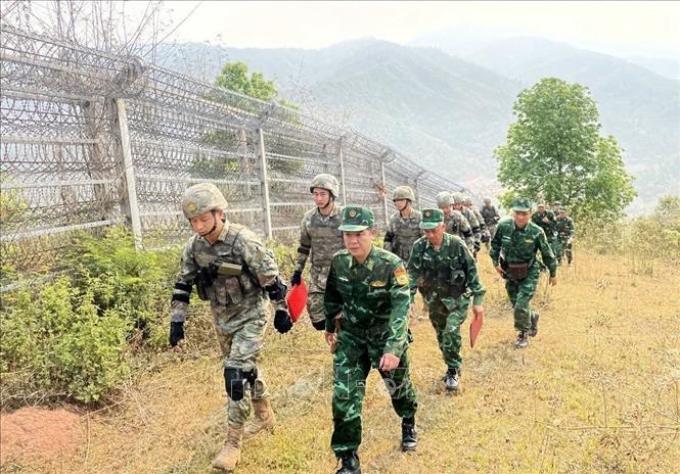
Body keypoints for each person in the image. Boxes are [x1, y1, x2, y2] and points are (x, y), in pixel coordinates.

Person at [169, 183, 293, 471]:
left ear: (219, 213)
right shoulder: (194, 248)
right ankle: (264, 415)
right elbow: (183, 285)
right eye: (193, 221)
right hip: (222, 321)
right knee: (246, 371)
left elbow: (271, 279)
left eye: (203, 219)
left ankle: (232, 443)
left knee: (235, 375)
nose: (198, 226)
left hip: (251, 316)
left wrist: (281, 311)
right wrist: (177, 324)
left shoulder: (243, 241)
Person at [324, 206, 418, 474]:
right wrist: (331, 326)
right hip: (351, 338)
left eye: (359, 234)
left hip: (384, 337)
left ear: (373, 233)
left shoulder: (391, 265)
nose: (352, 241)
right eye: (347, 235)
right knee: (344, 395)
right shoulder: (339, 261)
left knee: (398, 389)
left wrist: (394, 348)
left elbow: (401, 309)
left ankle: (408, 419)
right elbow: (332, 296)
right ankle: (348, 458)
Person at [407, 209, 485, 392]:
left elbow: (472, 271)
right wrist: (409, 297)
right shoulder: (419, 246)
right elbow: (412, 273)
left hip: (457, 298)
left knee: (450, 331)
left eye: (434, 230)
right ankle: (453, 364)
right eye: (426, 231)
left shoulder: (457, 244)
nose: (430, 235)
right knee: (442, 336)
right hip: (434, 299)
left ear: (443, 227)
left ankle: (452, 370)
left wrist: (478, 300)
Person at [490, 197, 557, 349]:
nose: (520, 217)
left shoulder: (536, 231)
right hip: (510, 271)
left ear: (530, 214)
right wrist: (495, 263)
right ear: (513, 213)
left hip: (530, 271)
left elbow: (547, 253)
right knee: (516, 305)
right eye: (517, 213)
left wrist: (553, 273)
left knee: (521, 304)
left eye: (524, 214)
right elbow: (494, 244)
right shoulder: (503, 226)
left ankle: (522, 334)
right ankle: (532, 316)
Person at [291, 174, 345, 331]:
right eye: (315, 194)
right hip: (318, 275)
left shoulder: (343, 217)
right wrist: (297, 271)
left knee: (346, 315)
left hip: (342, 273)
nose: (319, 198)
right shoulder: (308, 218)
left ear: (332, 195)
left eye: (322, 194)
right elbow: (304, 246)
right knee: (317, 319)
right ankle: (335, 331)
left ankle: (343, 340)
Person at [384, 185, 422, 264]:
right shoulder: (393, 219)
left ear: (409, 201)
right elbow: (388, 240)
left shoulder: (419, 218)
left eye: (401, 200)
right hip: (399, 261)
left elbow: (426, 239)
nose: (398, 203)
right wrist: (390, 258)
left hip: (417, 260)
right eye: (396, 200)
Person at [453, 193, 482, 257]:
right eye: (455, 204)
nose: (457, 206)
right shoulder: (449, 213)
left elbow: (476, 227)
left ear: (462, 203)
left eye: (459, 204)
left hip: (467, 240)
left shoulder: (468, 213)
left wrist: (477, 241)